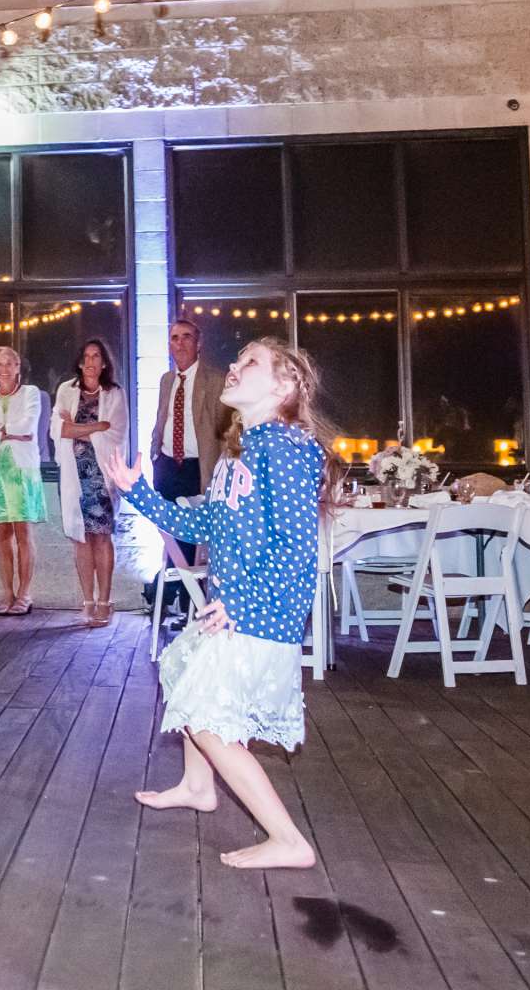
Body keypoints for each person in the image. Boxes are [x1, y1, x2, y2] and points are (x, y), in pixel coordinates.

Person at [101, 338, 335, 870]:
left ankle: (288, 840)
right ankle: (196, 784)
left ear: (284, 385)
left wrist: (245, 605)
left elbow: (297, 545)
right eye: (236, 360)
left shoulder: (287, 447)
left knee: (208, 719)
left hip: (259, 613)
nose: (233, 367)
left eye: (249, 362)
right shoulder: (244, 449)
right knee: (183, 674)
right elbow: (203, 523)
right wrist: (140, 493)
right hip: (234, 605)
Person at [147, 317, 229, 622]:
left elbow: (225, 431)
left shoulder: (215, 380)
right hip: (169, 467)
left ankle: (192, 604)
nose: (179, 343)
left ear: (199, 343)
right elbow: (162, 420)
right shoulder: (167, 380)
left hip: (200, 469)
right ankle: (179, 600)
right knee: (172, 535)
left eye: (185, 337)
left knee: (197, 539)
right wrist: (156, 454)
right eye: (174, 338)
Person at [54, 338, 127, 627]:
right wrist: (96, 426)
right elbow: (58, 430)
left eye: (96, 356)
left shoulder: (114, 394)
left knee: (102, 537)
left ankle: (105, 601)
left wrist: (76, 429)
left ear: (104, 362)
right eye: (86, 356)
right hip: (75, 475)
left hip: (101, 477)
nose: (91, 361)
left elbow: (115, 433)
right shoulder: (65, 391)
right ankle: (87, 600)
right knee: (81, 539)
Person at [0, 345, 45, 616]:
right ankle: (7, 594)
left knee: (23, 533)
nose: (4, 369)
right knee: (2, 535)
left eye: (9, 364)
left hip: (21, 471)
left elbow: (28, 427)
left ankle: (25, 594)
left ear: (18, 368)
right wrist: (9, 433)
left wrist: (1, 430)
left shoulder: (30, 394)